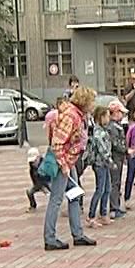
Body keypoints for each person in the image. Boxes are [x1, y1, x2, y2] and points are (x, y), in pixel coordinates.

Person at [43, 86, 97, 251]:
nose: (93, 104)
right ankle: (50, 238)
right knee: (56, 199)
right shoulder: (71, 116)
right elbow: (57, 143)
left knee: (75, 195)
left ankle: (78, 234)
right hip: (63, 162)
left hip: (69, 161)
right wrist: (64, 165)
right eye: (92, 101)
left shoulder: (77, 115)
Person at [84, 106, 113, 228]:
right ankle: (91, 216)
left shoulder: (103, 130)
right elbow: (103, 150)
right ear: (101, 117)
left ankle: (103, 213)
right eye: (107, 116)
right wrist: (110, 161)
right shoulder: (98, 133)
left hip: (104, 164)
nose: (109, 118)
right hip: (100, 164)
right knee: (100, 189)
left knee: (107, 188)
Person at [107, 100, 128, 218]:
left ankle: (116, 205)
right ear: (115, 112)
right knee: (114, 182)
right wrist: (126, 150)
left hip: (118, 158)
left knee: (117, 182)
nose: (123, 115)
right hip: (115, 158)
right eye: (121, 112)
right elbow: (115, 143)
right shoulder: (113, 127)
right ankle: (114, 207)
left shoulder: (116, 126)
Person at [26, 147, 51, 212]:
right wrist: (41, 187)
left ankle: (54, 206)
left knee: (53, 192)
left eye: (34, 161)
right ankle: (33, 206)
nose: (33, 163)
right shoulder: (32, 169)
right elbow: (34, 180)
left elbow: (50, 176)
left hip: (48, 181)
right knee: (29, 191)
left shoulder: (46, 164)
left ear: (38, 157)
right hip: (38, 183)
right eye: (31, 162)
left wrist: (46, 188)